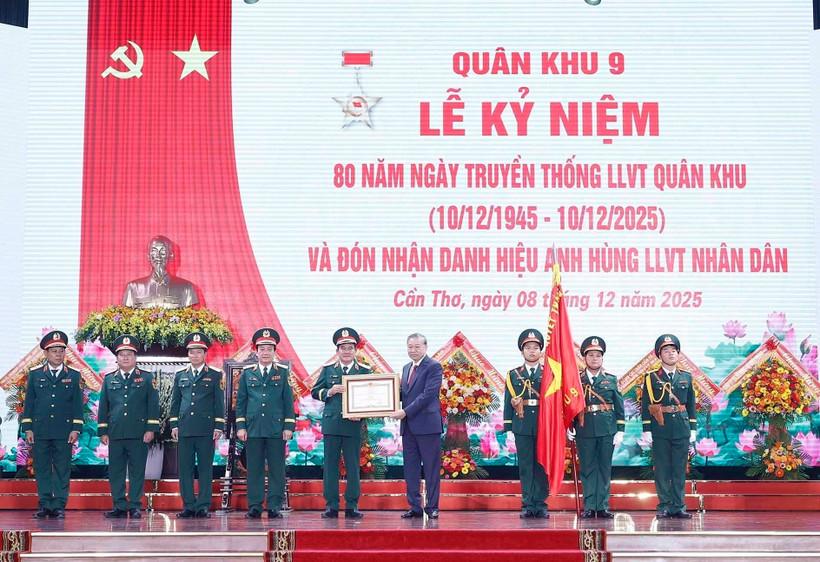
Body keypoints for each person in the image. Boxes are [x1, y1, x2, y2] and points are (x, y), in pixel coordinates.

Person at [21, 330, 84, 519]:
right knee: (41, 468)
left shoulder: (73, 375)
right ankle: (45, 504)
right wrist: (28, 428)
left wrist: (76, 428)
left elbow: (77, 405)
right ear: (46, 353)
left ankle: (59, 505)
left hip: (64, 431)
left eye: (61, 351)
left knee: (62, 468)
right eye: (54, 351)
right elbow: (29, 404)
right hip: (40, 430)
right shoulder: (35, 375)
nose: (58, 354)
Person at [311, 327, 371, 519]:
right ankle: (332, 506)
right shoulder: (328, 370)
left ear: (356, 351)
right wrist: (329, 391)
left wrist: (361, 414)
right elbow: (315, 391)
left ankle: (352, 505)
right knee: (330, 466)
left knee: (353, 466)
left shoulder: (364, 371)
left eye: (350, 348)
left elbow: (372, 398)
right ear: (337, 351)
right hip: (332, 424)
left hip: (353, 425)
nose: (346, 351)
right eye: (343, 348)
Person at [97, 335, 160, 518]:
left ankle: (134, 505)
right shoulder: (109, 379)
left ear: (135, 357)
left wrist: (151, 429)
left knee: (136, 470)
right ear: (117, 357)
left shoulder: (147, 378)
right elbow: (104, 407)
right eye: (122, 354)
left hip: (139, 433)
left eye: (129, 354)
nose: (125, 357)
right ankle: (118, 505)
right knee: (115, 471)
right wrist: (103, 431)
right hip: (116, 432)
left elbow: (153, 406)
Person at [235, 328, 295, 519]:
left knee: (277, 468)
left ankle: (275, 505)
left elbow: (288, 402)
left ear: (275, 351)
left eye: (270, 349)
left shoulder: (283, 373)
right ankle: (254, 505)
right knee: (254, 468)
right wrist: (241, 426)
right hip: (253, 428)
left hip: (276, 428)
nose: (266, 352)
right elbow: (241, 402)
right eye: (262, 349)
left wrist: (288, 427)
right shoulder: (247, 374)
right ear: (256, 351)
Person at [641, 334, 697, 519]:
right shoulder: (651, 378)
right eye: (666, 350)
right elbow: (646, 404)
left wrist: (693, 428)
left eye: (674, 350)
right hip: (660, 426)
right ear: (659, 354)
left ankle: (679, 506)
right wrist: (647, 429)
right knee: (663, 468)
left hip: (681, 427)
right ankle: (665, 505)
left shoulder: (686, 377)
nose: (671, 353)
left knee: (680, 469)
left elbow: (691, 405)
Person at [568, 336, 624, 519]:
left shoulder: (611, 380)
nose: (594, 358)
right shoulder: (576, 380)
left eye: (598, 355)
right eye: (590, 355)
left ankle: (603, 506)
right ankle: (590, 506)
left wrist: (620, 431)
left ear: (602, 358)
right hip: (584, 429)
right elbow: (569, 404)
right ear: (584, 358)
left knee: (604, 468)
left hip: (607, 429)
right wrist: (570, 425)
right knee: (588, 468)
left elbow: (619, 407)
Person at [170, 332, 225, 519]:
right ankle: (188, 505)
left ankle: (202, 506)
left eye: (198, 352)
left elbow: (220, 403)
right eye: (192, 352)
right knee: (184, 469)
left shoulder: (215, 375)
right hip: (185, 428)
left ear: (205, 354)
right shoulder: (180, 375)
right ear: (188, 354)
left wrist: (218, 426)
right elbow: (175, 403)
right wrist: (174, 425)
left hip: (206, 428)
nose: (195, 355)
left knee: (205, 469)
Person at [389, 333, 443, 519]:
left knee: (431, 469)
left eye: (417, 346)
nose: (413, 350)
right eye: (410, 346)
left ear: (425, 348)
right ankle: (415, 507)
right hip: (409, 428)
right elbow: (404, 394)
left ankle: (432, 507)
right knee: (410, 469)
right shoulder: (405, 368)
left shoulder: (434, 366)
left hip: (428, 426)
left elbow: (428, 395)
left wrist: (405, 412)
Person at [503, 329, 550, 519]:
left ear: (541, 351)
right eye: (528, 348)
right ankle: (528, 504)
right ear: (522, 351)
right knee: (525, 465)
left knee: (541, 465)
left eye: (536, 348)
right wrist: (508, 427)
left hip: (543, 424)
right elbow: (508, 401)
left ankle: (541, 503)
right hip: (522, 424)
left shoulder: (549, 373)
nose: (532, 351)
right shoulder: (513, 374)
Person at [122, 235, 199, 309]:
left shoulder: (186, 288)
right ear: (148, 256)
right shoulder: (133, 287)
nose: (158, 256)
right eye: (154, 251)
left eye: (163, 251)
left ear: (171, 255)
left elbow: (191, 317)